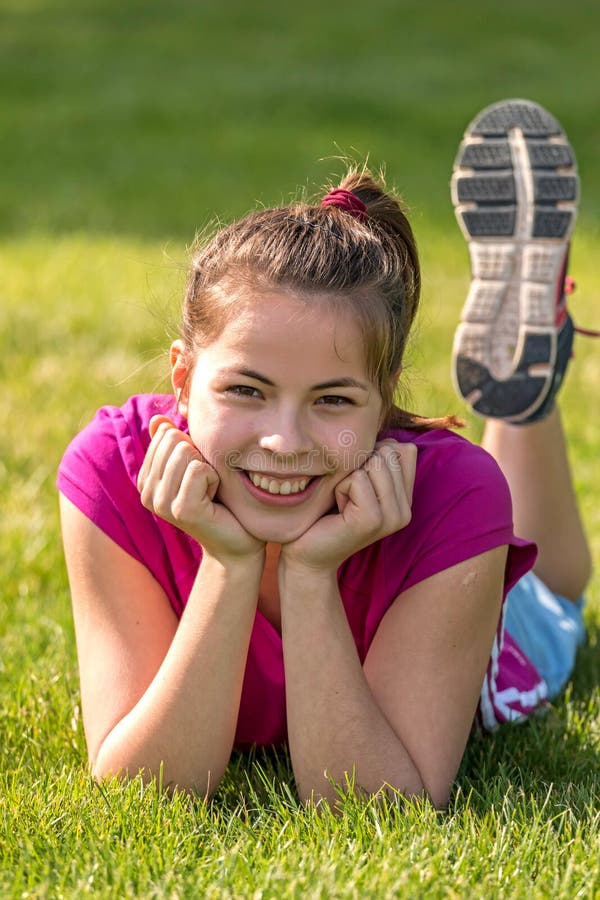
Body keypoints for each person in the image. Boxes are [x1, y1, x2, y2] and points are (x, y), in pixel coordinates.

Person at [58, 99, 592, 809]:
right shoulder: (112, 470)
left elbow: (380, 807)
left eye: (334, 400)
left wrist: (311, 577)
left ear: (385, 399)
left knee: (551, 605)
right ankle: (518, 363)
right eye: (247, 390)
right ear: (182, 378)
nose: (284, 441)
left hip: (463, 588)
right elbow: (147, 790)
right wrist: (228, 562)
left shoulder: (452, 493)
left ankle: (521, 390)